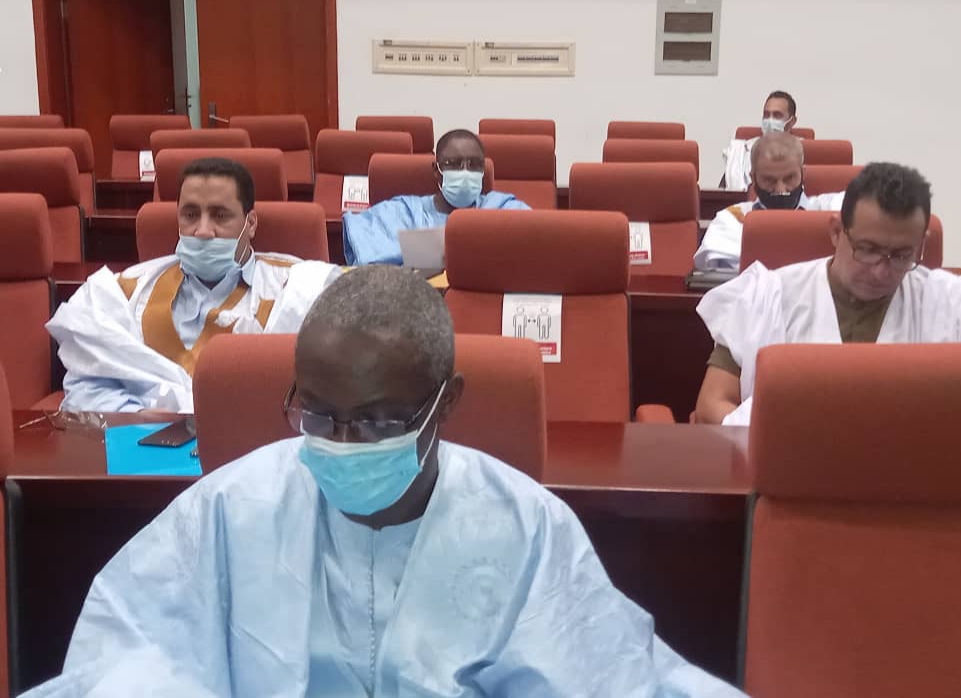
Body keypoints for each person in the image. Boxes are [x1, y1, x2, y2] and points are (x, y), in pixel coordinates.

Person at [22, 266, 745, 697]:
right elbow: (126, 654)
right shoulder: (229, 507)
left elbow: (603, 675)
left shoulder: (524, 525)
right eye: (318, 414)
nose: (340, 443)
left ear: (446, 404)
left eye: (375, 422)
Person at [695, 162, 961, 426]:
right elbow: (711, 406)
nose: (881, 271)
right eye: (868, 249)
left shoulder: (957, 307)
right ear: (837, 231)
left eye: (901, 255)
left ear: (922, 243)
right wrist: (786, 435)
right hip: (785, 466)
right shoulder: (766, 294)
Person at [46, 158, 339, 414]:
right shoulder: (127, 291)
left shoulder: (299, 286)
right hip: (144, 446)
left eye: (220, 215)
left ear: (250, 224)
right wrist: (135, 416)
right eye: (190, 215)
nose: (202, 231)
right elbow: (84, 386)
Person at [342, 129, 530, 265]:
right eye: (453, 163)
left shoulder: (500, 206)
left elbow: (530, 240)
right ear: (436, 169)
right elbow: (370, 257)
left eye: (474, 164)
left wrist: (425, 250)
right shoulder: (404, 210)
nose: (465, 172)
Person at [695, 133, 845, 271]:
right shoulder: (733, 219)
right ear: (753, 178)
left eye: (789, 178)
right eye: (769, 180)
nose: (780, 189)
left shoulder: (830, 209)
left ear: (803, 174)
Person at [722, 90, 799, 190]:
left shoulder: (802, 151)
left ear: (792, 121)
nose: (770, 120)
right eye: (766, 115)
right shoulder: (742, 152)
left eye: (777, 115)